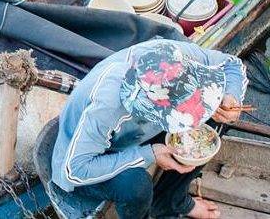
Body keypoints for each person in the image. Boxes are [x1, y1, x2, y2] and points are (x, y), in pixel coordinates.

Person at [52, 39, 246, 219]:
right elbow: (74, 170)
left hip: (137, 133)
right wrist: (148, 154)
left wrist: (230, 97)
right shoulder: (107, 107)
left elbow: (231, 64)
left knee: (214, 119)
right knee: (135, 185)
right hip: (88, 159)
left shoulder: (174, 56)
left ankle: (170, 201)